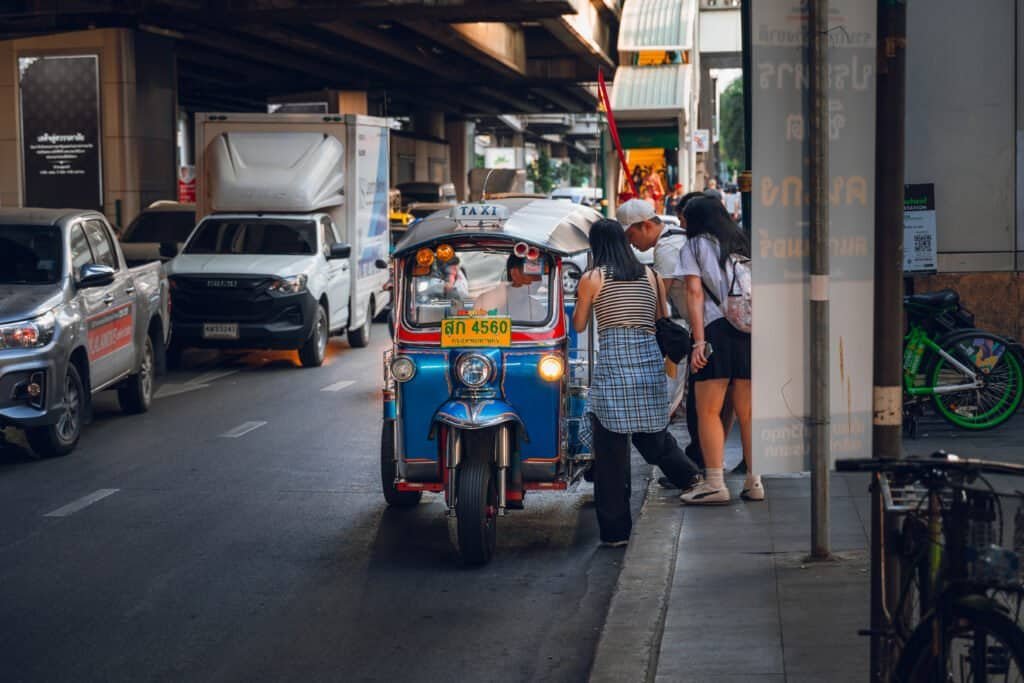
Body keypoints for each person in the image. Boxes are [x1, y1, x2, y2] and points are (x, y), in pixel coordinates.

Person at [573, 219, 702, 545]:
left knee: (611, 455)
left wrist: (586, 296)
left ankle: (616, 532)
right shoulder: (651, 275)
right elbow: (660, 318)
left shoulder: (593, 278)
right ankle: (690, 475)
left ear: (596, 245)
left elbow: (579, 324)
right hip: (647, 362)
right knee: (651, 433)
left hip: (616, 363)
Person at [678, 196, 762, 504]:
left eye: (685, 218)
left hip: (716, 330)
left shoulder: (694, 247)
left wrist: (699, 341)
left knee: (709, 410)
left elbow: (694, 292)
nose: (683, 224)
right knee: (748, 412)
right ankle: (755, 481)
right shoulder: (741, 241)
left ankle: (715, 483)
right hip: (750, 330)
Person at [474, 254, 546, 320]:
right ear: (515, 274)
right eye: (532, 273)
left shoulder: (536, 307)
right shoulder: (486, 301)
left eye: (539, 273)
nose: (539, 279)